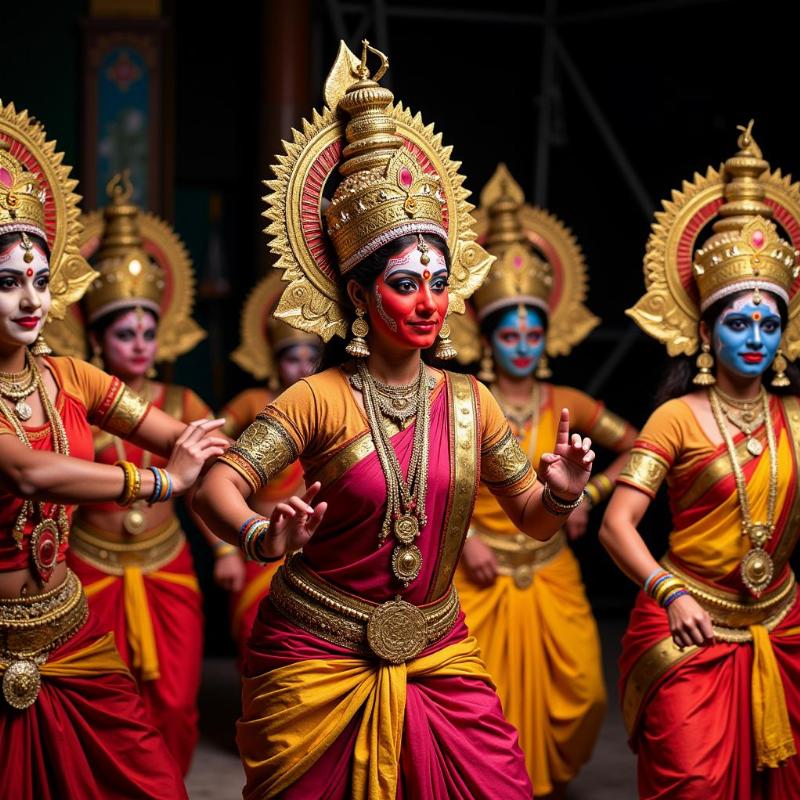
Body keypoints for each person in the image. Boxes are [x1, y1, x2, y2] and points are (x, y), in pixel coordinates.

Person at [194, 40, 595, 800]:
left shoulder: (470, 402)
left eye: (440, 283)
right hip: (316, 650)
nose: (428, 302)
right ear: (358, 293)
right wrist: (258, 535)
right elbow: (213, 486)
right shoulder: (317, 397)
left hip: (439, 650)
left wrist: (566, 491)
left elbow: (536, 520)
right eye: (405, 282)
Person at [0, 101, 225, 798]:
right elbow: (32, 473)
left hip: (67, 629)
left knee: (152, 781)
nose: (29, 298)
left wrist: (246, 516)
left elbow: (179, 435)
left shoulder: (68, 375)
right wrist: (161, 484)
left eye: (38, 278)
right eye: (8, 281)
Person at [600, 121, 800, 798]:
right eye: (738, 322)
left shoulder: (797, 420)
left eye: (768, 324)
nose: (755, 338)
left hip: (781, 620)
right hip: (689, 624)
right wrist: (670, 590)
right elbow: (616, 524)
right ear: (708, 330)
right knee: (691, 782)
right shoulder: (676, 417)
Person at [450, 163, 638, 798]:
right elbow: (434, 477)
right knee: (482, 708)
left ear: (547, 334)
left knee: (584, 694)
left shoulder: (570, 400)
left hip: (550, 567)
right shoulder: (462, 400)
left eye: (533, 332)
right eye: (510, 332)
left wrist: (592, 493)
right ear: (487, 337)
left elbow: (641, 447)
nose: (523, 345)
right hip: (478, 570)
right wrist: (462, 539)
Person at [48, 172, 211, 774]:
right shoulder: (68, 404)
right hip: (89, 569)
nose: (140, 344)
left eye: (148, 330)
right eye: (124, 331)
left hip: (167, 567)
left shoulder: (182, 403)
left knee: (173, 704)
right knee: (101, 710)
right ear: (94, 336)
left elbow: (212, 480)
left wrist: (231, 544)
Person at [217, 270, 321, 653]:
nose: (303, 368)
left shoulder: (329, 403)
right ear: (274, 360)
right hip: (261, 541)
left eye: (313, 357)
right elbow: (210, 457)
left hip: (317, 549)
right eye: (293, 358)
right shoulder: (251, 403)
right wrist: (224, 550)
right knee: (255, 645)